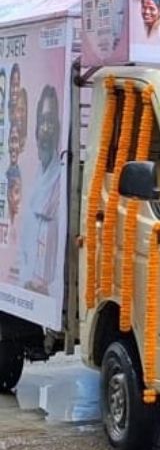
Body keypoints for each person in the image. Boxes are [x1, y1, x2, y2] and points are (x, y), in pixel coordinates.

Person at [18, 86, 62, 295]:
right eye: (43, 121)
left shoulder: (61, 177)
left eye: (51, 122)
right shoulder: (31, 174)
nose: (46, 128)